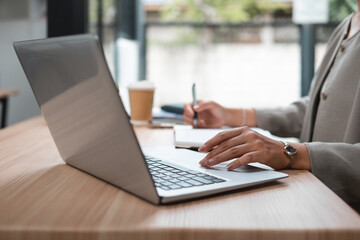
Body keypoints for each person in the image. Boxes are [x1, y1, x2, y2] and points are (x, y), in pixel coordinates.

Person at [184, 7, 360, 212]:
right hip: (319, 202)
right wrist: (232, 115)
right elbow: (315, 109)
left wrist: (291, 154)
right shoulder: (347, 24)